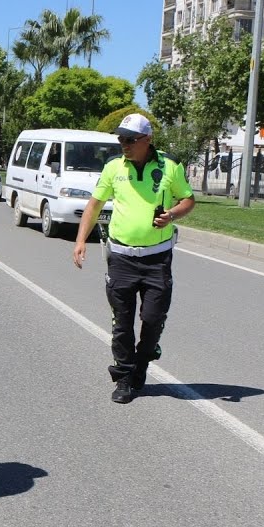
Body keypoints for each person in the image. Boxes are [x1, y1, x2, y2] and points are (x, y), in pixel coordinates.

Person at [72, 113, 196, 404]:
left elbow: (188, 199)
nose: (123, 144)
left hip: (157, 259)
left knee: (153, 319)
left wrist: (172, 215)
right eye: (121, 139)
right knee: (122, 324)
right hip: (121, 258)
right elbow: (94, 205)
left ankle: (144, 357)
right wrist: (80, 241)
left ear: (147, 140)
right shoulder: (113, 168)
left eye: (130, 139)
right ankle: (125, 377)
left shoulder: (170, 165)